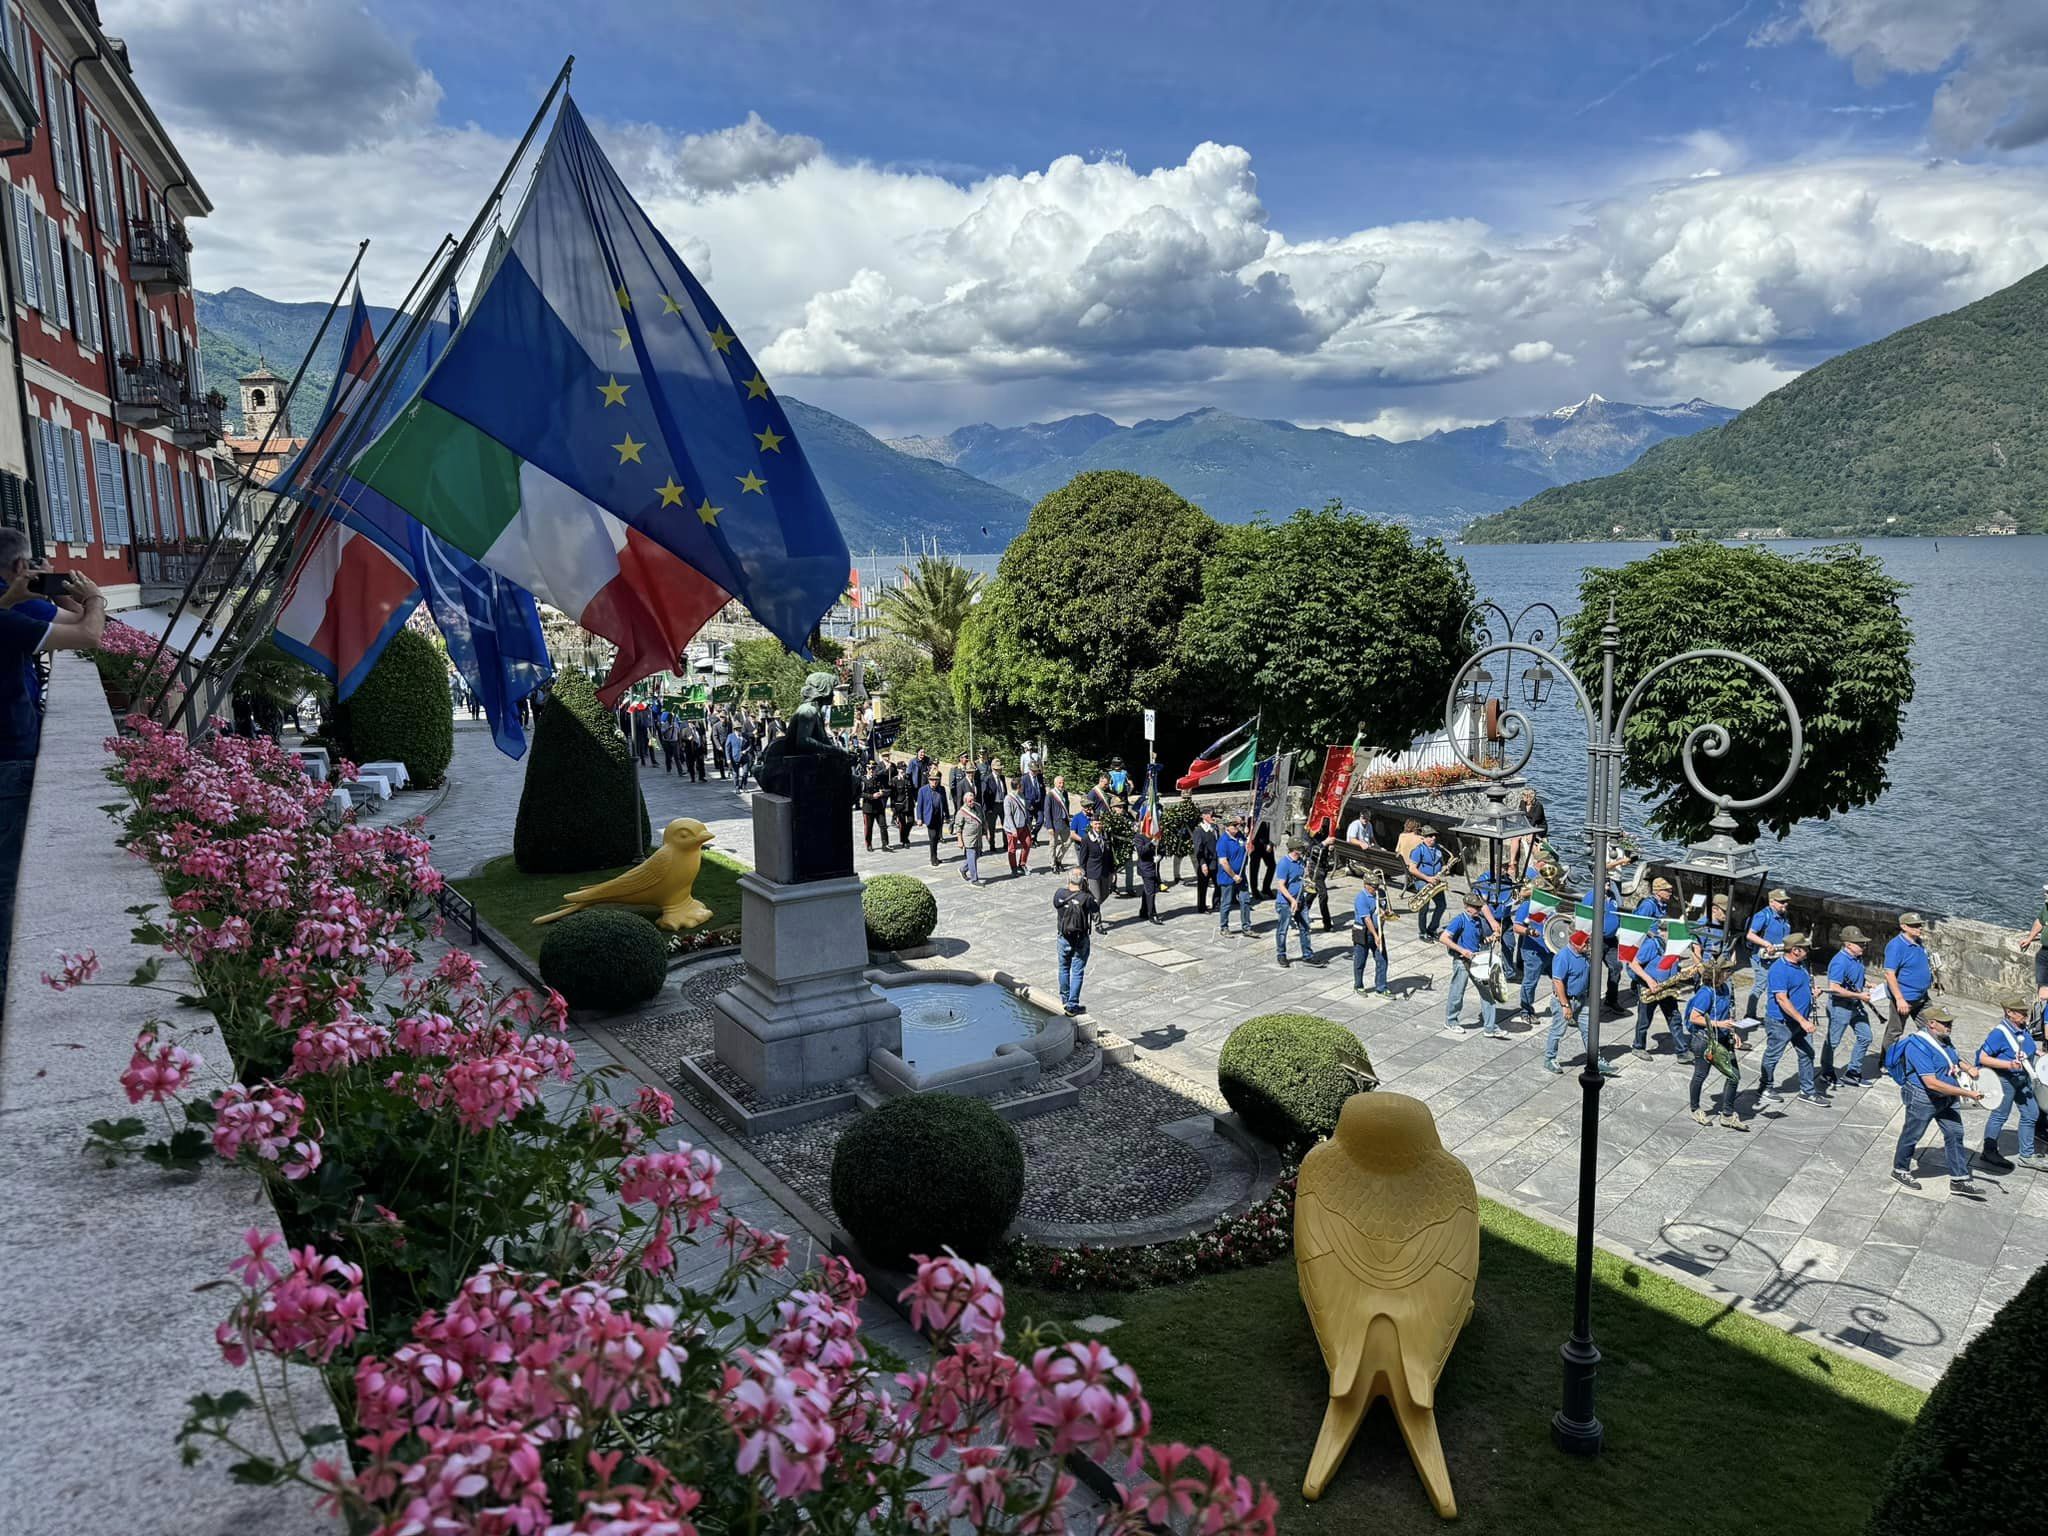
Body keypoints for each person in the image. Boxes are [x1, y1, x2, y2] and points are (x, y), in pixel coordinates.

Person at [1, 550, 107, 1003]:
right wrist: (96, 598)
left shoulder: (6, 612)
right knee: (8, 879)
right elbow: (89, 635)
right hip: (10, 752)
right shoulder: (7, 622)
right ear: (17, 568)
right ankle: (8, 984)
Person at [1888, 1005, 1984, 1197]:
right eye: (1945, 1023)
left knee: (1955, 1133)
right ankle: (1900, 1170)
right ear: (1932, 1024)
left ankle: (1959, 1179)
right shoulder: (1918, 1046)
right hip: (1923, 1099)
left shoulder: (1943, 1038)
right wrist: (1966, 1093)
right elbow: (1931, 1083)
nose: (1950, 1026)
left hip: (1946, 1098)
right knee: (1912, 1134)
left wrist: (1968, 1068)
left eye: (1950, 1023)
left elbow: (1953, 1058)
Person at [1757, 932, 1827, 1108]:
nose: (1808, 951)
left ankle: (1807, 1091)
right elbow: (1782, 999)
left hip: (1799, 1021)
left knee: (1807, 1054)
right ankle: (1765, 1087)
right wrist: (1803, 1021)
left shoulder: (1800, 965)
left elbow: (1798, 989)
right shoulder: (1779, 970)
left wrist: (1812, 994)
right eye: (1805, 948)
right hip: (1782, 1022)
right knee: (1773, 1055)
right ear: (1795, 950)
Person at [1976, 995, 2042, 1173]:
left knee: (2031, 1113)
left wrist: (2038, 1052)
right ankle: (1989, 1151)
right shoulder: (1999, 1033)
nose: (2025, 1016)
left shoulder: (2020, 1027)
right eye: (2021, 1013)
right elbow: (1983, 1057)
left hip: (2022, 1078)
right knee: (2000, 1115)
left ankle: (2027, 1156)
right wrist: (2008, 1064)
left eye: (2025, 1012)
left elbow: (2024, 1046)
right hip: (2005, 1080)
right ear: (2009, 1013)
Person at [1685, 961, 1747, 1131]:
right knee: (1700, 1075)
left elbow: (1727, 1014)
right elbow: (1694, 1017)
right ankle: (1695, 1108)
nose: (1730, 974)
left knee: (1733, 1075)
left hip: (1723, 1038)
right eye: (1727, 971)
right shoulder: (1705, 993)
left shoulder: (1725, 989)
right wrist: (1719, 1024)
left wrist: (1733, 1032)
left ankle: (1727, 1115)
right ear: (1717, 974)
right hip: (1704, 1040)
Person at [1545, 931, 1615, 1076]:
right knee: (1558, 1031)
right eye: (1585, 944)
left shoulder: (1584, 955)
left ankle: (1595, 1060)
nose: (1588, 946)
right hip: (1566, 1000)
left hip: (1582, 999)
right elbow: (1557, 981)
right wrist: (1565, 1006)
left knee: (1589, 1030)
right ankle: (1550, 1058)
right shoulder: (1563, 957)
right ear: (1574, 944)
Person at [1442, 891, 1504, 1036]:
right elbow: (1444, 938)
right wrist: (1462, 950)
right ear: (1467, 906)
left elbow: (1480, 940)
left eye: (1479, 907)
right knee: (1457, 993)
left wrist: (1491, 938)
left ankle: (1490, 1027)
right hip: (1462, 961)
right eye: (1475, 907)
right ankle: (1451, 1021)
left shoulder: (1477, 921)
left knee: (1487, 993)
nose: (1478, 910)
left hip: (1476, 961)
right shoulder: (1460, 920)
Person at [1819, 925, 1874, 1088]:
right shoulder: (1839, 962)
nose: (1864, 946)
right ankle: (1826, 1072)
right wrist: (1859, 995)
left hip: (1855, 1006)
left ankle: (1853, 1072)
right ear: (1848, 944)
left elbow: (1855, 978)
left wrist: (1868, 984)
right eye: (1860, 943)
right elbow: (1835, 988)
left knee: (1866, 1037)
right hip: (1840, 1008)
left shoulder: (1857, 958)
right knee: (1833, 1042)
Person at [1629, 917, 1688, 1059]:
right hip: (1648, 987)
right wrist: (1649, 981)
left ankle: (1682, 1051)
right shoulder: (1653, 945)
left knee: (1674, 1018)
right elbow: (1633, 963)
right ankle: (1638, 1046)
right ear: (1663, 931)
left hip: (1666, 987)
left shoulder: (1673, 946)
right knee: (1645, 1018)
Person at [1882, 912, 1934, 1055]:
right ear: (1903, 926)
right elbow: (1889, 973)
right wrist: (1899, 999)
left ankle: (1928, 1057)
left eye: (1919, 925)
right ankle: (1886, 1060)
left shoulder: (1918, 942)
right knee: (1895, 1031)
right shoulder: (1896, 946)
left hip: (1922, 997)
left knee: (1931, 1027)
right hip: (1906, 998)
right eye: (1914, 926)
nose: (1919, 928)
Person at [1743, 888, 1793, 1019]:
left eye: (1786, 902)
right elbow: (1750, 935)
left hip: (1778, 958)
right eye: (1781, 902)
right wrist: (1766, 944)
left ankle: (1774, 1014)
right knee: (1760, 985)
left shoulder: (1784, 917)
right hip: (1762, 958)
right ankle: (1750, 1015)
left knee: (1777, 986)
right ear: (1772, 902)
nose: (1785, 904)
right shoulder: (1762, 916)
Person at [1053, 872, 1098, 1015]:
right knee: (1077, 971)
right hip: (1080, 938)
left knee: (1063, 968)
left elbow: (1056, 904)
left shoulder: (1059, 894)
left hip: (1063, 936)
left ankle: (1065, 999)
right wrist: (1087, 889)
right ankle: (1073, 1005)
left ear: (1069, 879)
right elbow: (1095, 908)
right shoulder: (1086, 898)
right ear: (1083, 882)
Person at [1273, 836, 1317, 968]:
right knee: (1283, 929)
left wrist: (1308, 877)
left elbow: (1302, 878)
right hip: (1285, 902)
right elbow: (1281, 885)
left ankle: (1307, 955)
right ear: (1294, 850)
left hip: (1300, 899)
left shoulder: (1301, 862)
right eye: (1300, 848)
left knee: (1305, 927)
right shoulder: (1284, 863)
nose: (1303, 850)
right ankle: (1281, 954)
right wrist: (1292, 900)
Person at [1511, 882, 1551, 1020]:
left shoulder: (1552, 905)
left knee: (1562, 980)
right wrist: (1529, 931)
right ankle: (1526, 1011)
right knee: (1530, 982)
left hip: (1551, 949)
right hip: (1533, 951)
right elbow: (1516, 927)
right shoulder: (1527, 905)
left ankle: (1563, 1006)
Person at [1405, 827, 1447, 942]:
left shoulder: (1438, 849)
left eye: (1434, 835)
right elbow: (1412, 869)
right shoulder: (1418, 850)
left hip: (1435, 881)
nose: (1433, 837)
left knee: (1442, 905)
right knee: (1424, 908)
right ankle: (1422, 932)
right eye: (1430, 836)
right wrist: (1427, 878)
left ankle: (1432, 929)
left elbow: (1442, 863)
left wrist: (1444, 869)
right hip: (1422, 881)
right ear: (1423, 838)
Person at [1351, 874, 1390, 995]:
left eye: (1377, 886)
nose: (1376, 889)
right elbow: (1367, 919)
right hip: (1363, 931)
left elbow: (1383, 908)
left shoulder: (1381, 894)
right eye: (1373, 886)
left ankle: (1381, 987)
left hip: (1378, 930)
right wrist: (1375, 935)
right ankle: (1358, 985)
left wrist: (1385, 914)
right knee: (1360, 960)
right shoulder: (1361, 898)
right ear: (1366, 885)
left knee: (1382, 959)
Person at [1214, 816, 1251, 937]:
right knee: (1227, 903)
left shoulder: (1240, 836)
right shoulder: (1223, 842)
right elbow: (1223, 862)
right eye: (1234, 826)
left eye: (1237, 825)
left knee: (1245, 900)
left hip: (1241, 875)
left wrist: (1249, 845)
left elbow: (1248, 849)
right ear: (1227, 827)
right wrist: (1234, 876)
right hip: (1228, 876)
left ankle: (1246, 927)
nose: (1237, 828)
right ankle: (1224, 927)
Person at [1076, 816, 1114, 934]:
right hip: (1092, 872)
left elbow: (1110, 855)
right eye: (1096, 824)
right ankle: (1098, 923)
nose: (1098, 826)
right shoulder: (1087, 839)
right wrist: (1083, 874)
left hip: (1105, 871)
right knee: (1096, 898)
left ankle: (1090, 908)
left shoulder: (1106, 837)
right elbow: (1082, 858)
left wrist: (1113, 871)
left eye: (1100, 824)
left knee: (1105, 894)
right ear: (1092, 824)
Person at [2021, 885, 2048, 1023]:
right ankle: (2039, 1024)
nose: (2045, 894)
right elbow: (2040, 922)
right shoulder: (2046, 907)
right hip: (2044, 952)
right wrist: (2030, 938)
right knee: (2042, 993)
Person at [1303, 822, 1336, 931]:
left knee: (1313, 892)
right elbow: (1311, 851)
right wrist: (1324, 843)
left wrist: (1331, 846)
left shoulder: (1325, 830)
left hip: (1323, 866)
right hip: (1314, 867)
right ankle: (1327, 922)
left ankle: (1301, 912)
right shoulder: (1309, 832)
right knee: (1323, 894)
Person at [916, 768, 949, 866]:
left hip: (939, 816)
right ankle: (933, 858)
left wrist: (947, 816)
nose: (934, 782)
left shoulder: (941, 789)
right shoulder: (923, 790)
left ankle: (935, 855)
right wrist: (919, 818)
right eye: (932, 780)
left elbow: (945, 803)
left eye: (936, 780)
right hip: (929, 817)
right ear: (928, 780)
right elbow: (919, 806)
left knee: (937, 838)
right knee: (933, 837)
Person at [1002, 775, 1032, 875]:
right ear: (1018, 786)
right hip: (1012, 829)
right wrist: (1013, 829)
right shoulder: (1008, 799)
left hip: (1023, 826)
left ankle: (1022, 864)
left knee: (1027, 844)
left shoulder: (1022, 795)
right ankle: (1014, 868)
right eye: (1022, 785)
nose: (1023, 787)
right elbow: (1008, 815)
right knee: (1012, 849)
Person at [1133, 820, 1162, 924]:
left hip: (1154, 866)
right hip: (1145, 867)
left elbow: (1161, 848)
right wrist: (1150, 843)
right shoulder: (1139, 837)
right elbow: (1141, 851)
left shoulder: (1156, 834)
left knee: (1148, 889)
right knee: (1151, 891)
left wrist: (1160, 856)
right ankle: (1152, 914)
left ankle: (1144, 911)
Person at [1191, 807, 1219, 914]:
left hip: (1215, 862)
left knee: (1218, 884)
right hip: (1205, 863)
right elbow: (1198, 849)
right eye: (1211, 816)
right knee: (1203, 886)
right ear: (1204, 816)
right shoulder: (1199, 831)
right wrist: (1202, 864)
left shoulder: (1215, 828)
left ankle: (1216, 903)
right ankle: (1202, 907)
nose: (1213, 818)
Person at [861, 760, 893, 851]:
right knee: (868, 827)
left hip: (879, 806)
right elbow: (860, 794)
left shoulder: (878, 778)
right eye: (870, 768)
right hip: (868, 807)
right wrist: (872, 796)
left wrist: (882, 792)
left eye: (873, 768)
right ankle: (869, 844)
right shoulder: (863, 779)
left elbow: (886, 789)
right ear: (866, 769)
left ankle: (885, 844)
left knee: (883, 826)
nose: (872, 770)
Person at [1044, 774, 1073, 872]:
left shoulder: (1065, 793)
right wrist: (1049, 827)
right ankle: (1053, 865)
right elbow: (1047, 812)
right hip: (1054, 824)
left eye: (1063, 782)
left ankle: (1058, 859)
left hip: (1064, 823)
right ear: (1055, 784)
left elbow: (1067, 806)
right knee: (1053, 845)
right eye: (1060, 783)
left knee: (1068, 842)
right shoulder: (1050, 795)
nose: (1062, 784)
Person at [957, 795, 986, 885]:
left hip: (978, 837)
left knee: (977, 855)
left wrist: (987, 833)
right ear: (965, 801)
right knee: (972, 857)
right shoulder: (961, 812)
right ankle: (974, 879)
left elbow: (983, 820)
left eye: (973, 800)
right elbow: (958, 828)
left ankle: (963, 869)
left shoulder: (978, 807)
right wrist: (960, 841)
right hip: (969, 839)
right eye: (970, 801)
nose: (972, 802)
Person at [890, 758, 917, 849]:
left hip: (909, 804)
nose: (903, 771)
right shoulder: (894, 780)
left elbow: (912, 789)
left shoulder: (908, 778)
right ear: (898, 770)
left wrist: (915, 800)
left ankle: (905, 837)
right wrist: (893, 806)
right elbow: (892, 795)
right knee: (902, 823)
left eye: (904, 769)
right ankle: (904, 840)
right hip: (900, 805)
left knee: (911, 821)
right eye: (901, 769)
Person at [1248, 819, 1276, 901]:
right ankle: (1254, 890)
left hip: (1267, 843)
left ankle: (1266, 887)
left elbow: (1273, 829)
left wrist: (1271, 843)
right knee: (1254, 868)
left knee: (1272, 865)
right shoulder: (1255, 814)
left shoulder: (1270, 814)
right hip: (1255, 844)